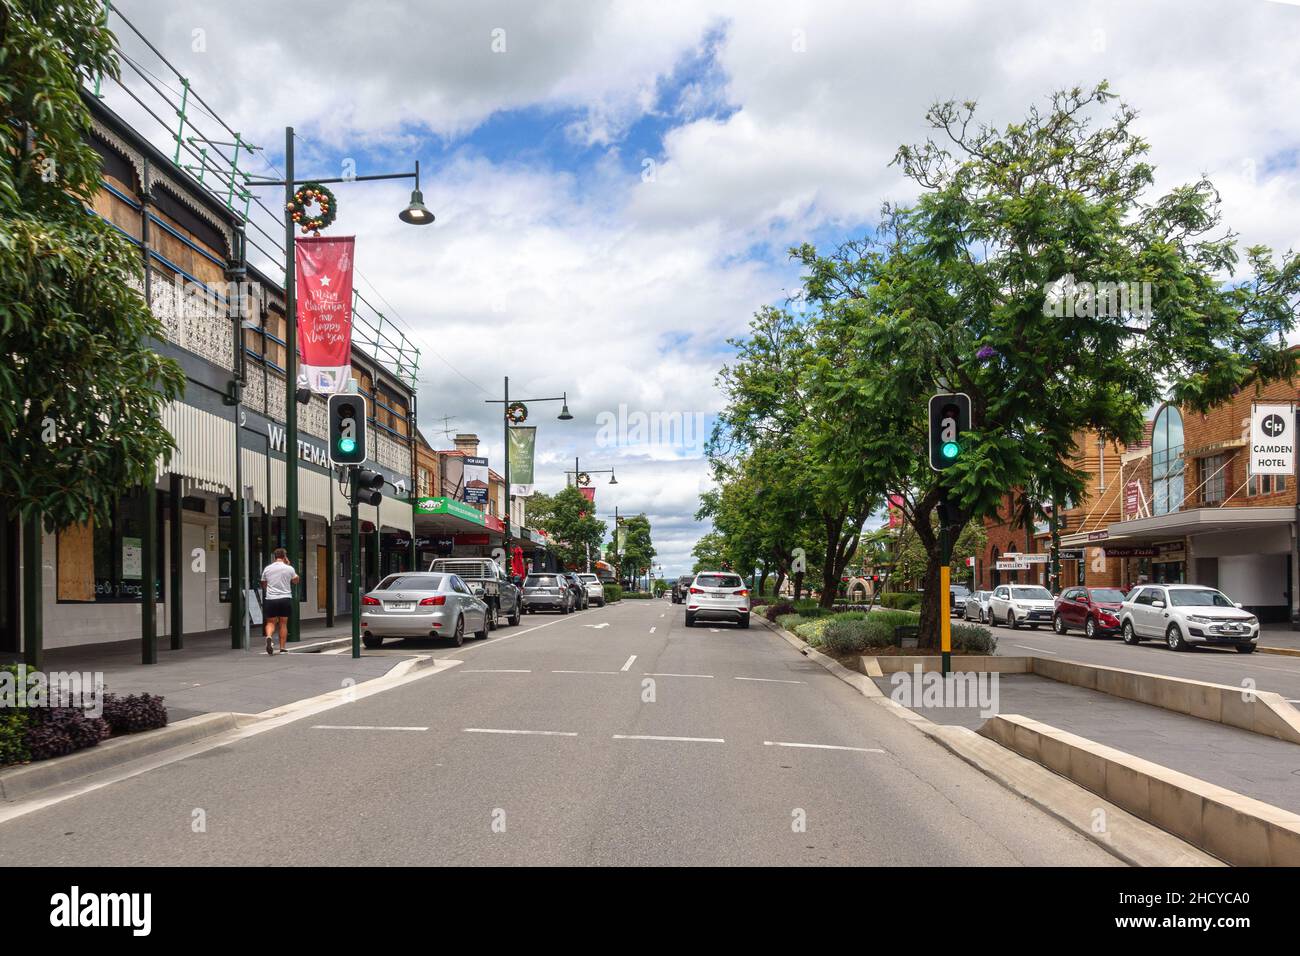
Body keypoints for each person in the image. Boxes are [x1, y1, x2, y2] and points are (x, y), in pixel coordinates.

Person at [260, 548, 300, 655]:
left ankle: (269, 637)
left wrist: (269, 589)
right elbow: (296, 580)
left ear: (275, 556)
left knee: (270, 622)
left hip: (271, 599)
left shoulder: (267, 568)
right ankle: (282, 647)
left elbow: (263, 583)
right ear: (285, 556)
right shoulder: (289, 568)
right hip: (284, 598)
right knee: (283, 623)